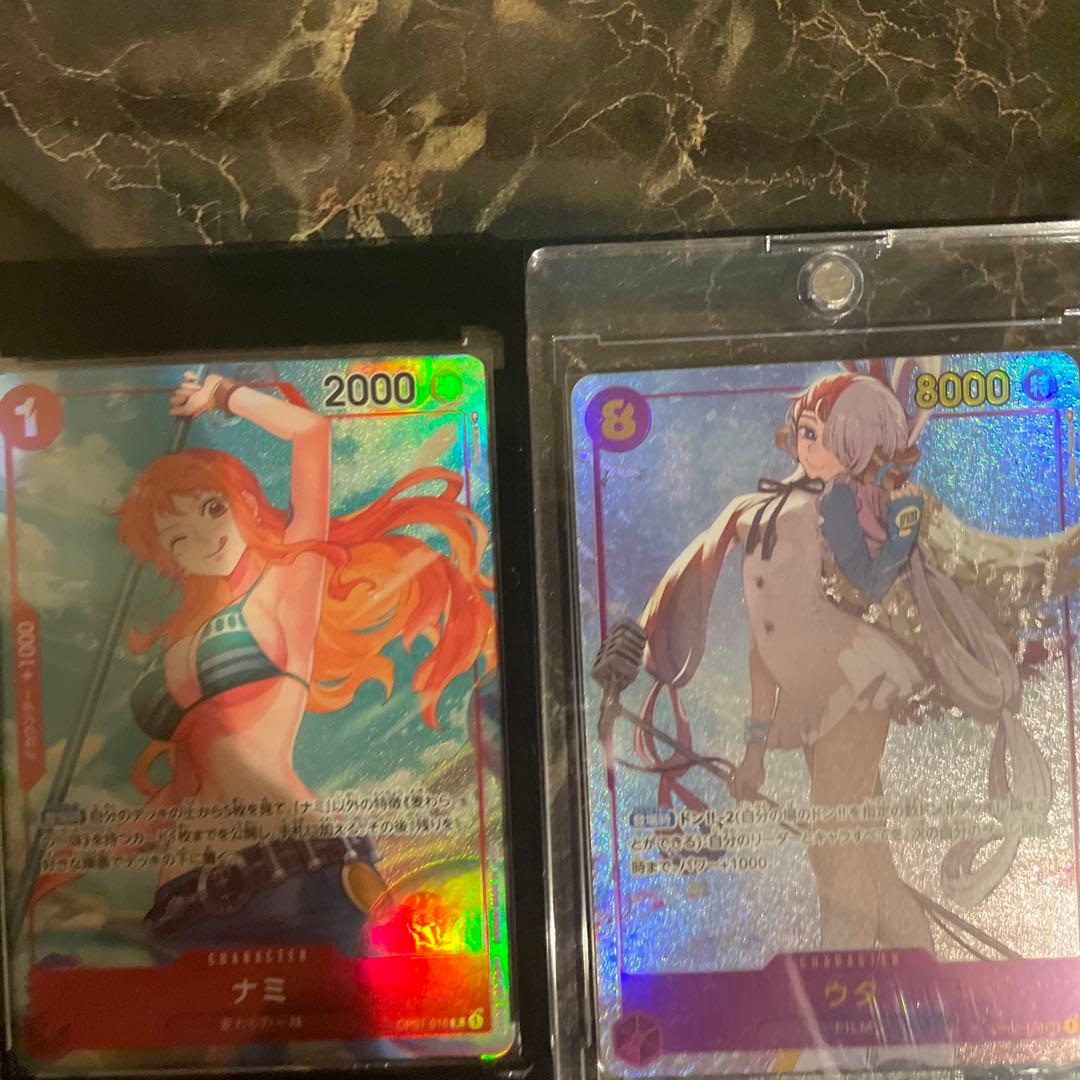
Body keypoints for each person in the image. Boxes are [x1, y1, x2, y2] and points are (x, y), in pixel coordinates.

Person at [605, 365, 1068, 952]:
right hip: (809, 688)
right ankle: (923, 988)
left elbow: (872, 584)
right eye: (804, 430)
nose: (806, 444)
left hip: (853, 677)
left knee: (832, 843)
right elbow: (765, 648)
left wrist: (900, 536)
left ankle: (841, 975)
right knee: (865, 851)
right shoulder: (762, 510)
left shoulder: (842, 510)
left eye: (820, 434)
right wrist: (754, 754)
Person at [115, 371, 495, 955]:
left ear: (246, 501)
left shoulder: (286, 583)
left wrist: (222, 394)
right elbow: (192, 777)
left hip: (294, 870)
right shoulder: (185, 638)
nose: (205, 539)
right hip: (182, 901)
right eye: (178, 539)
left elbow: (312, 434)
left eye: (212, 508)